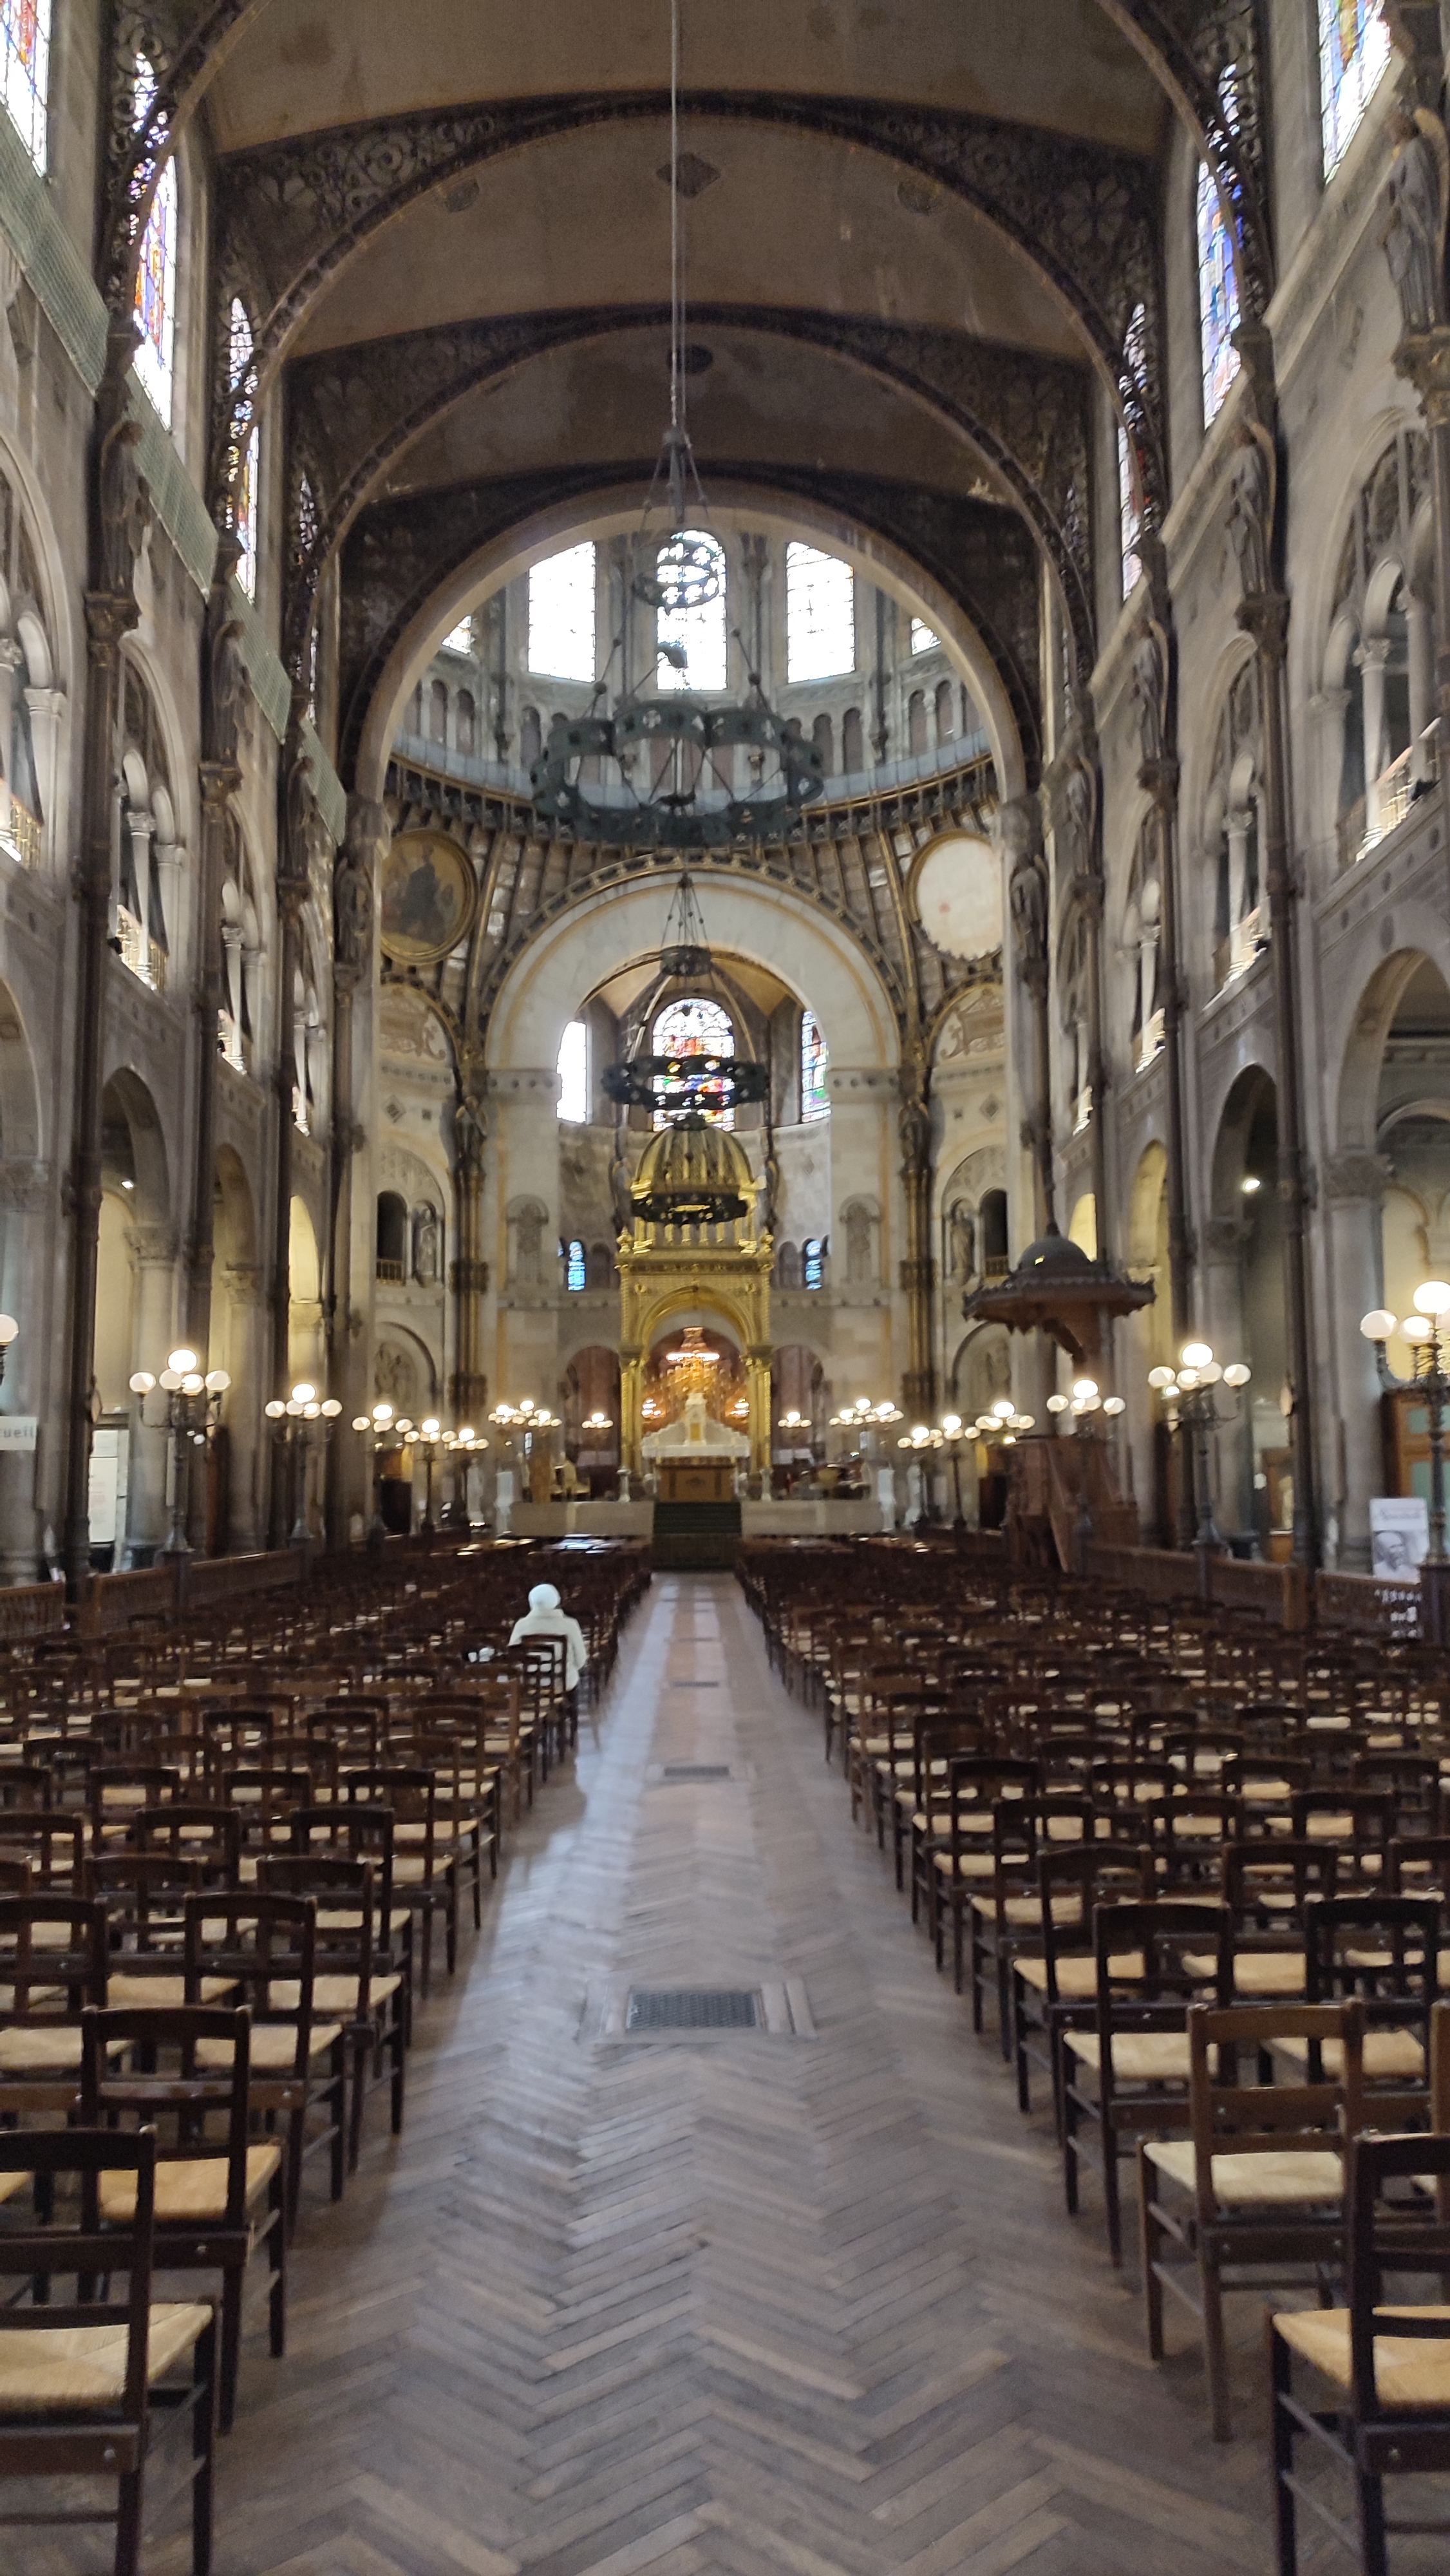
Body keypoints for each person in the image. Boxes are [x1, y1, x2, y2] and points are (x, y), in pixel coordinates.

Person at [509, 1582, 588, 1700]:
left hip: (529, 1682)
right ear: (556, 1601)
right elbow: (581, 1660)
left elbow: (513, 1657)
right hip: (562, 1683)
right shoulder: (570, 1625)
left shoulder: (521, 1625)